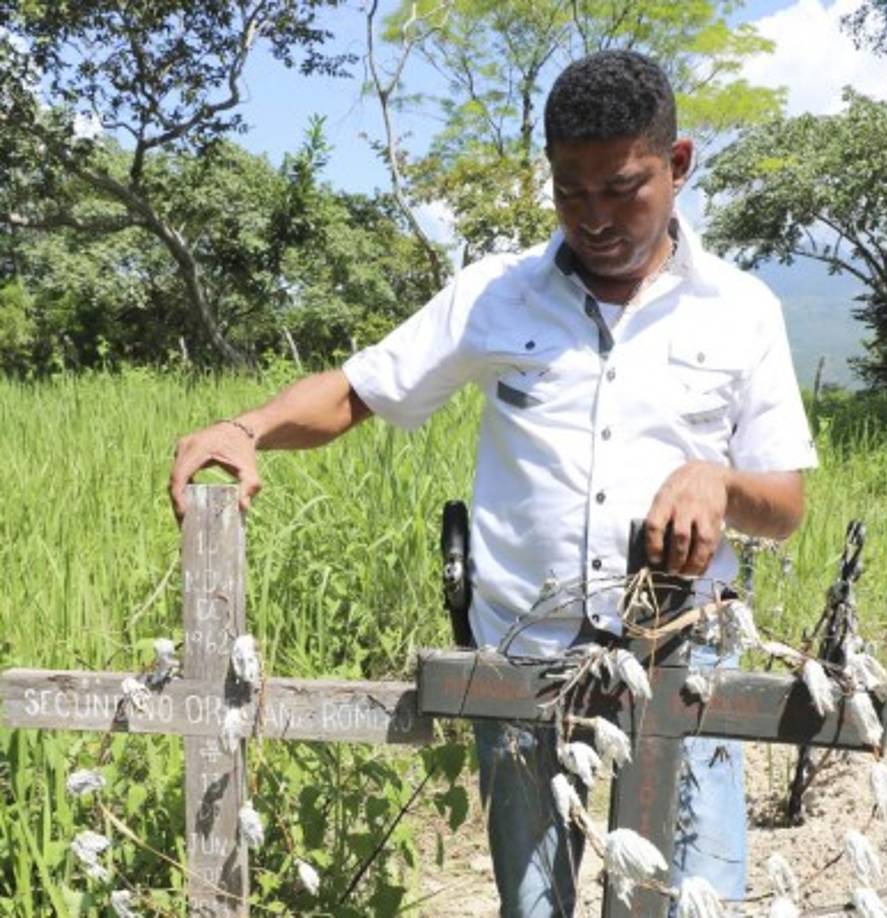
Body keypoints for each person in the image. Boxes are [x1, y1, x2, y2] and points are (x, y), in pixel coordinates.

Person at [170, 50, 816, 917]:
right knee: (531, 901)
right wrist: (245, 429)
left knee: (687, 898)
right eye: (569, 191)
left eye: (622, 188)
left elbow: (785, 506)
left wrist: (719, 485)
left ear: (679, 165)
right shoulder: (495, 297)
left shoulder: (742, 311)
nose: (595, 218)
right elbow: (359, 391)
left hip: (681, 662)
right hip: (525, 663)